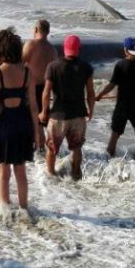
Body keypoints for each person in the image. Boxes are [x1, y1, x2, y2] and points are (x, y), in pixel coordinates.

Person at [0, 28, 43, 211]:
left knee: (3, 172)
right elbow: (34, 106)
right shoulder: (27, 72)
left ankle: (5, 210)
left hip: (4, 126)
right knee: (21, 171)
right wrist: (38, 132)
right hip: (23, 124)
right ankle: (24, 209)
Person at [38, 35, 95, 180]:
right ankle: (76, 175)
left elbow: (46, 92)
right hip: (78, 115)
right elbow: (90, 93)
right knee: (76, 148)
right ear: (79, 49)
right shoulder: (86, 67)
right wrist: (91, 110)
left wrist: (44, 111)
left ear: (64, 48)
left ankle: (50, 175)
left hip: (58, 115)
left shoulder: (53, 66)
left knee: (51, 148)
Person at [22, 20, 57, 143]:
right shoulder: (52, 49)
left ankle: (35, 151)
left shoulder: (30, 45)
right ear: (48, 32)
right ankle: (43, 150)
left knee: (31, 123)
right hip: (46, 90)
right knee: (40, 124)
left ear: (36, 30)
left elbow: (19, 66)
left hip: (32, 88)